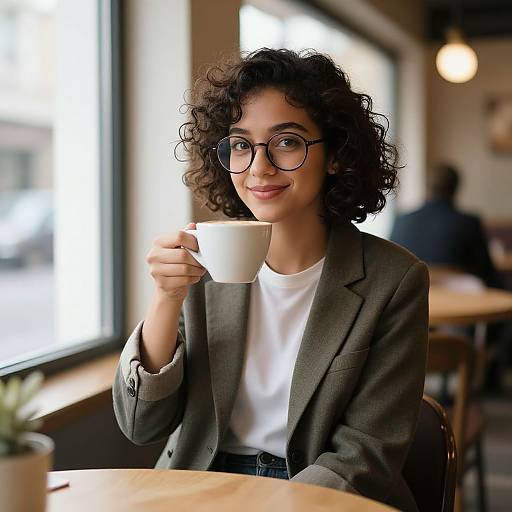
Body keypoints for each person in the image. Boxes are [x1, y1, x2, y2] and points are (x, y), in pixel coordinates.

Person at [113, 48, 429, 512]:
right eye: (241, 144)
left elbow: (367, 452)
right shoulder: (201, 260)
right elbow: (140, 424)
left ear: (336, 154)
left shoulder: (394, 280)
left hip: (321, 494)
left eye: (286, 142)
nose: (259, 167)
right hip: (201, 485)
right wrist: (165, 298)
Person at [390, 163, 501, 288]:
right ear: (456, 188)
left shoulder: (402, 220)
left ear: (427, 186)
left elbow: (391, 264)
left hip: (410, 292)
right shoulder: (468, 222)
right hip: (461, 299)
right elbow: (486, 270)